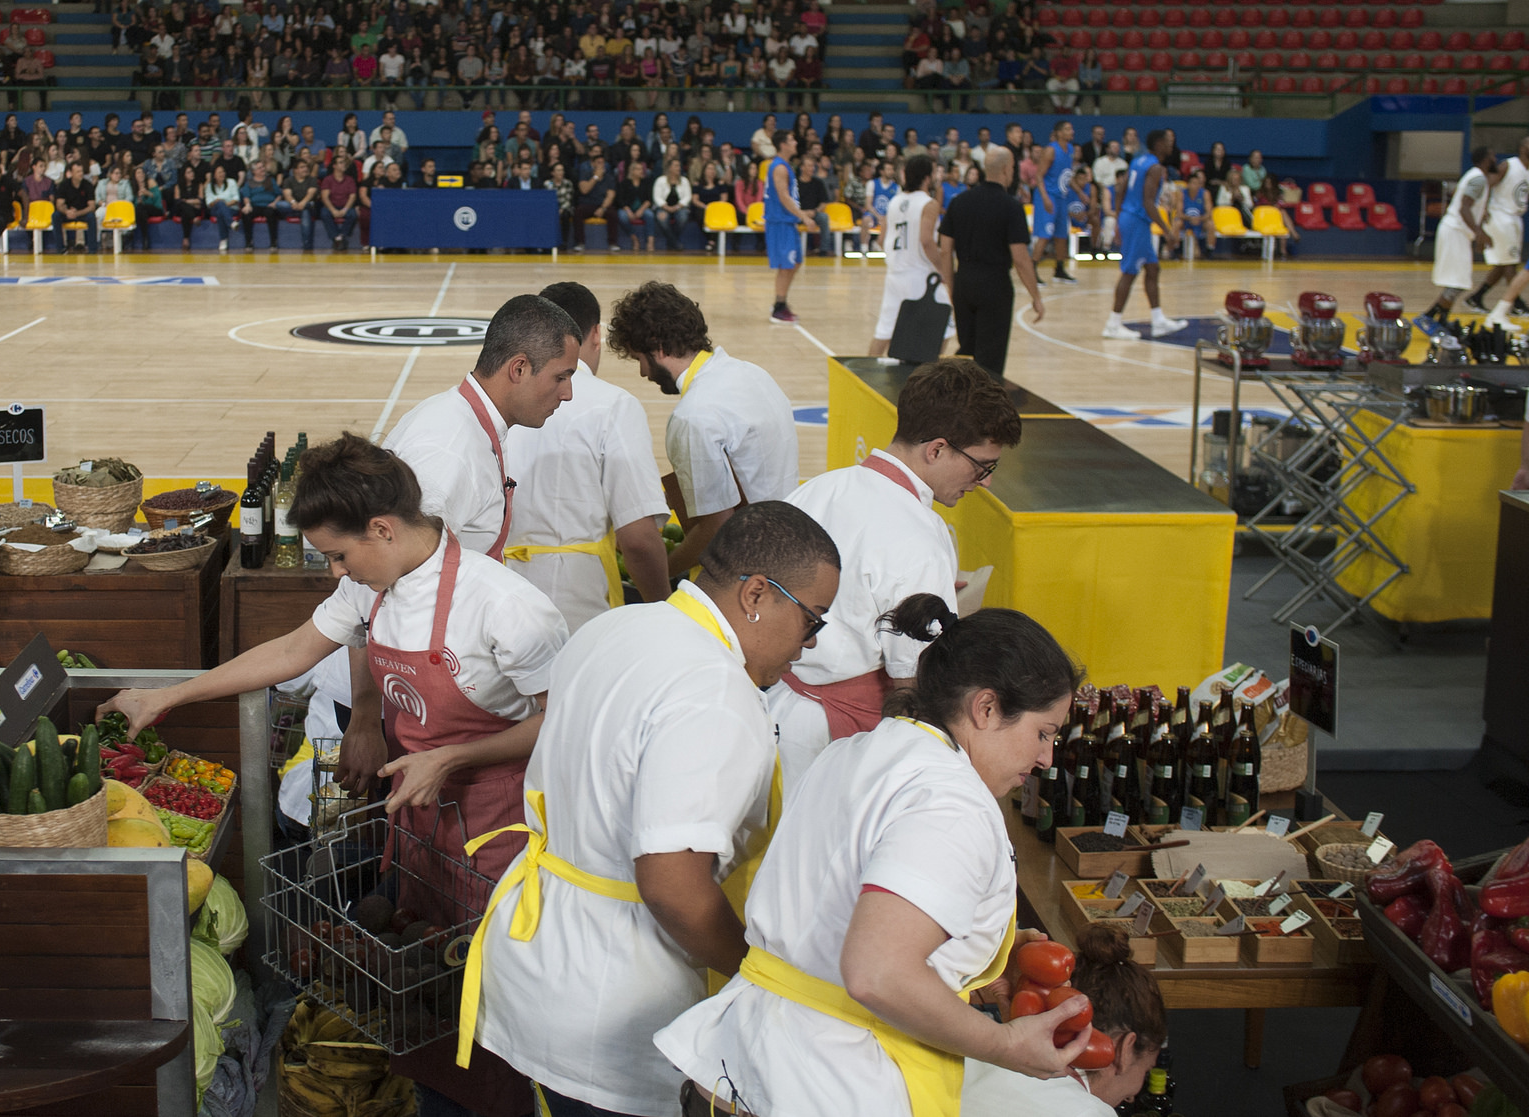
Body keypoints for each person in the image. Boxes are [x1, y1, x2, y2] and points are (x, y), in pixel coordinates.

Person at [98, 436, 570, 1117]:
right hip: (420, 829)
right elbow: (293, 649)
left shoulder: (506, 606)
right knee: (425, 1005)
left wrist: (451, 758)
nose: (334, 570)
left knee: (491, 1017)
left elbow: (565, 724)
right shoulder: (370, 588)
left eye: (339, 554)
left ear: (383, 528)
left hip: (503, 840)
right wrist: (168, 696)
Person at [463, 502, 843, 1117]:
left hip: (537, 961)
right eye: (812, 620)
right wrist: (757, 976)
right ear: (756, 594)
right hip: (617, 998)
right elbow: (671, 885)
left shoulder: (616, 626)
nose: (811, 643)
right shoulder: (715, 692)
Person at [655, 594, 1090, 1117]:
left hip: (739, 1065)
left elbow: (836, 910)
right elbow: (878, 972)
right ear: (987, 708)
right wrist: (1005, 1045)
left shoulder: (855, 752)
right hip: (828, 1084)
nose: (1045, 758)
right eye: (1043, 733)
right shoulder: (951, 802)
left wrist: (969, 948)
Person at [775, 360, 1019, 791]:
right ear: (937, 449)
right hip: (840, 738)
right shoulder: (920, 537)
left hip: (776, 707)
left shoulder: (818, 487)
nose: (984, 482)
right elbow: (915, 683)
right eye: (982, 466)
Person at [503, 283, 672, 634]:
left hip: (497, 595)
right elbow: (638, 539)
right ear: (596, 334)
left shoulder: (503, 396)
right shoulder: (614, 405)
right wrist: (666, 613)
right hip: (581, 603)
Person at [604, 281, 798, 578]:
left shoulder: (692, 416)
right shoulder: (753, 374)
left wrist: (658, 574)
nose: (643, 372)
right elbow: (743, 473)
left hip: (746, 571)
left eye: (639, 359)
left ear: (657, 346)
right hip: (788, 546)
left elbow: (716, 527)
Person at [385, 294, 582, 562]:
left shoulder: (467, 424)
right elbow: (404, 564)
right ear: (519, 368)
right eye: (560, 377)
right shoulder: (449, 449)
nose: (567, 394)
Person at [959, 922, 1169, 1117]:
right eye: (1145, 1070)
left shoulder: (968, 1049)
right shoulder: (1089, 1113)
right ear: (1125, 1049)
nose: (1132, 1096)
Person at [939, 145, 1046, 376]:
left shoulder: (959, 202)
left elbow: (945, 251)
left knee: (967, 352)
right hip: (995, 285)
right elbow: (1020, 258)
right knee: (990, 361)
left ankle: (961, 395)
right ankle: (985, 398)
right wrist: (1035, 296)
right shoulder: (1011, 206)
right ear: (1007, 169)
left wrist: (952, 287)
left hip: (964, 281)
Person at [1103, 128, 1187, 341]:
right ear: (1158, 144)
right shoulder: (1155, 167)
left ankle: (1158, 321)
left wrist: (1119, 220)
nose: (1171, 145)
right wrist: (1167, 231)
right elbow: (1148, 202)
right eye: (1167, 141)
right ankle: (1113, 324)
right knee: (1129, 272)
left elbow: (1121, 191)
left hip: (1130, 218)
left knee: (1152, 268)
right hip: (1137, 221)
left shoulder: (1138, 161)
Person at [871, 156, 956, 359]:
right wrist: (942, 270)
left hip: (895, 273)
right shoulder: (929, 203)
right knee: (946, 325)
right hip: (919, 274)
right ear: (927, 177)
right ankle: (925, 368)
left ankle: (861, 373)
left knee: (884, 330)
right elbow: (926, 241)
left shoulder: (895, 201)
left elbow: (881, 240)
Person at [1422, 147, 1500, 329]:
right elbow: (1464, 207)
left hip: (1457, 232)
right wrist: (1479, 233)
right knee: (1458, 282)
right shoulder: (1478, 179)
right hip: (1455, 232)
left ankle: (1441, 320)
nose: (1495, 159)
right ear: (1485, 160)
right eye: (1493, 156)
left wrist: (1481, 220)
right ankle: (1428, 316)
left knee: (1458, 280)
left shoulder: (1474, 176)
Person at [760, 130, 819, 324]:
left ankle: (781, 301)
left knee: (795, 263)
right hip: (779, 221)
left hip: (787, 221)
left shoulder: (785, 165)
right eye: (792, 140)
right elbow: (784, 197)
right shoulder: (779, 167)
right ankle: (779, 307)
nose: (795, 143)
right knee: (786, 266)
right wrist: (804, 217)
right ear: (783, 144)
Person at [1474, 135, 1529, 325]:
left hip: (1514, 217)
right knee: (1510, 263)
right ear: (1522, 148)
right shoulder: (1509, 165)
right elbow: (1488, 184)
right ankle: (1516, 304)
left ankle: (1476, 297)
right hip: (1499, 216)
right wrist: (1483, 210)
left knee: (1504, 262)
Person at [1031, 121, 1080, 283]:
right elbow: (1039, 176)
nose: (1071, 131)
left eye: (1071, 128)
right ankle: (1032, 269)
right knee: (1045, 234)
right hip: (1048, 195)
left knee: (1061, 235)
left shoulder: (1070, 149)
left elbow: (1067, 176)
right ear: (1059, 133)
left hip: (1061, 197)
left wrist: (1080, 193)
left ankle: (1059, 270)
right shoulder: (1050, 150)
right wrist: (1045, 197)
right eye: (1067, 129)